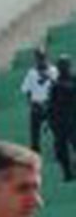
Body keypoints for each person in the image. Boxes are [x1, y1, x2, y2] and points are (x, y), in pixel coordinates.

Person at [47, 56, 76, 184]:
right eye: (61, 66)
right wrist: (51, 121)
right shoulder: (55, 85)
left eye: (65, 65)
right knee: (60, 149)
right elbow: (51, 105)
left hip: (73, 120)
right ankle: (67, 173)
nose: (63, 68)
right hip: (61, 122)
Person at [21, 48, 54, 154]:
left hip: (50, 105)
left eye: (42, 58)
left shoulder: (53, 70)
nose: (41, 60)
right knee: (34, 133)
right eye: (38, 58)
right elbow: (27, 90)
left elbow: (57, 86)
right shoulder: (31, 73)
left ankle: (59, 150)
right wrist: (31, 103)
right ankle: (35, 152)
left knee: (57, 131)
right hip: (37, 105)